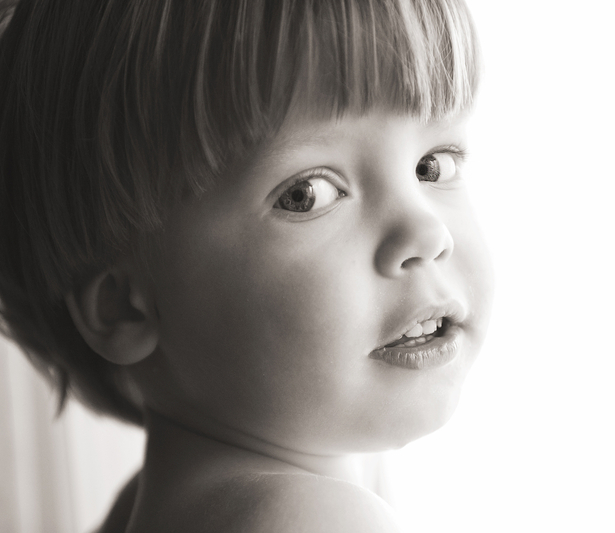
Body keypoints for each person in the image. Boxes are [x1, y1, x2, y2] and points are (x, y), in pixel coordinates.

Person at [0, 0, 494, 531]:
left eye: (432, 165)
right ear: (125, 307)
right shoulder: (311, 519)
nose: (428, 235)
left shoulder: (143, 506)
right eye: (306, 194)